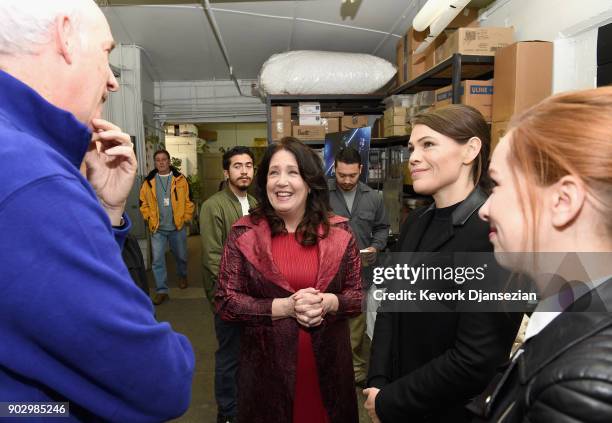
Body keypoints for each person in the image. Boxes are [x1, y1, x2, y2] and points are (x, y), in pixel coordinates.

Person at [0, 0, 195, 421]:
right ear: (66, 35)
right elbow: (160, 382)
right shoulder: (32, 178)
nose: (112, 81)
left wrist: (105, 209)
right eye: (107, 53)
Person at [365, 105, 521, 423]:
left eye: (428, 144)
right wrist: (377, 383)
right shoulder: (415, 223)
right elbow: (390, 307)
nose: (414, 157)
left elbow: (476, 359)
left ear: (471, 150)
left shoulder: (493, 234)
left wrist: (391, 400)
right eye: (412, 148)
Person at [468, 87, 612, 422]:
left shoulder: (585, 383)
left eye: (497, 185)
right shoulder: (565, 306)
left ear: (563, 201)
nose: (484, 210)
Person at [215, 137, 363, 423]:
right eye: (274, 172)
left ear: (310, 182)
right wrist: (285, 307)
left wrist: (327, 302)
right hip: (265, 376)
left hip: (328, 372)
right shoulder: (243, 233)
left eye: (293, 172)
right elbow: (226, 302)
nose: (282, 182)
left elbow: (356, 296)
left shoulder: (340, 231)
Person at [200, 146, 257, 423]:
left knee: (251, 354)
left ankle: (246, 404)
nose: (244, 170)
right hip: (228, 297)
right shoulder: (214, 205)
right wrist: (233, 294)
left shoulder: (257, 203)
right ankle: (227, 413)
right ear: (226, 172)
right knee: (230, 356)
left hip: (253, 296)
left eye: (248, 165)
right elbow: (212, 256)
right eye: (237, 166)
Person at [328, 146, 389, 387]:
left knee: (357, 325)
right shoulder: (321, 195)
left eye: (352, 175)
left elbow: (383, 228)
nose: (346, 180)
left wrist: (376, 246)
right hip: (330, 272)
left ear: (360, 170)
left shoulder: (373, 197)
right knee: (330, 323)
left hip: (362, 273)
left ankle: (355, 371)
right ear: (335, 169)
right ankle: (331, 368)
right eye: (342, 175)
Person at [139, 149, 195, 305]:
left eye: (164, 159)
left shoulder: (180, 179)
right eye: (158, 160)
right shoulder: (148, 181)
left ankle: (182, 274)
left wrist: (186, 218)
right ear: (154, 162)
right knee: (157, 260)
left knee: (182, 256)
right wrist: (148, 218)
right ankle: (161, 290)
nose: (161, 162)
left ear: (169, 161)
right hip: (157, 228)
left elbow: (189, 201)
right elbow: (142, 203)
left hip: (177, 227)